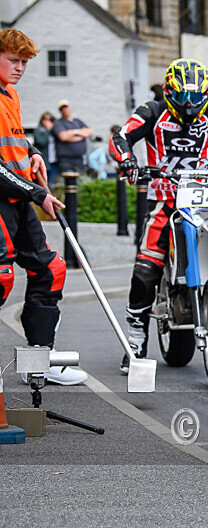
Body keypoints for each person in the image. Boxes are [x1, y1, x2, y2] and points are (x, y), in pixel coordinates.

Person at [109, 58, 208, 374]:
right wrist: (127, 160)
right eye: (182, 98)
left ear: (207, 95)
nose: (189, 105)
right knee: (147, 265)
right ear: (169, 92)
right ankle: (135, 341)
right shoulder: (151, 112)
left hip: (207, 199)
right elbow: (121, 138)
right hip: (165, 198)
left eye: (196, 98)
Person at [0, 29, 85, 385]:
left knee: (51, 270)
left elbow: (16, 139)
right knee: (1, 278)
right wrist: (38, 194)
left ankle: (39, 362)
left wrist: (33, 154)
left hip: (18, 201)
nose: (20, 68)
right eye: (13, 60)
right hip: (2, 203)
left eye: (24, 62)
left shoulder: (11, 95)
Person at [52, 100, 92, 174]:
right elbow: (63, 136)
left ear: (69, 107)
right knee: (68, 182)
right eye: (62, 108)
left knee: (81, 181)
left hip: (79, 158)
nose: (64, 109)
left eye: (66, 107)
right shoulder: (58, 122)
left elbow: (89, 132)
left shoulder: (78, 121)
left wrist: (71, 133)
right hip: (65, 160)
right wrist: (78, 133)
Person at [33, 112, 56, 183]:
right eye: (45, 119)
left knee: (53, 184)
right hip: (43, 162)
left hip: (54, 162)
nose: (48, 122)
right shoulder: (38, 131)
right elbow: (42, 142)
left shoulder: (54, 132)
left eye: (50, 120)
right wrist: (47, 130)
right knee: (42, 184)